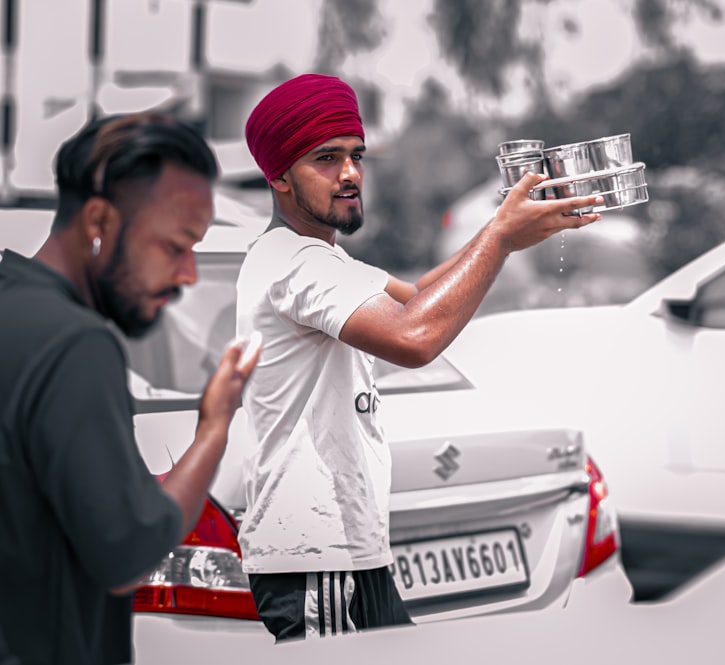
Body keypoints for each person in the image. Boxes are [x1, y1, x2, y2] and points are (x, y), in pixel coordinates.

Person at [235, 73, 603, 641]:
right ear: (278, 175)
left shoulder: (320, 260)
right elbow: (415, 338)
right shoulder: (297, 263)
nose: (351, 173)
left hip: (349, 555)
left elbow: (416, 298)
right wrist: (500, 238)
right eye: (326, 159)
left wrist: (504, 228)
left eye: (356, 156)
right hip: (317, 557)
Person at [0, 113, 260, 665]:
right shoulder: (75, 344)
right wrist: (214, 428)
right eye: (174, 247)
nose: (188, 274)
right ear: (99, 221)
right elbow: (126, 553)